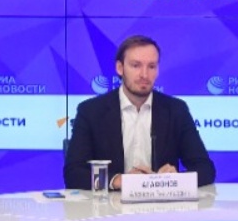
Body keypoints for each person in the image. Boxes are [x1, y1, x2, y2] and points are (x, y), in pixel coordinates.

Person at [64, 35, 216, 190]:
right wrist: (118, 181)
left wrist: (174, 179)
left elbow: (205, 168)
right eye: (136, 66)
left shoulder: (176, 110)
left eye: (151, 66)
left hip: (161, 202)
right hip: (111, 202)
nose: (144, 75)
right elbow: (73, 173)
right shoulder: (91, 111)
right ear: (120, 68)